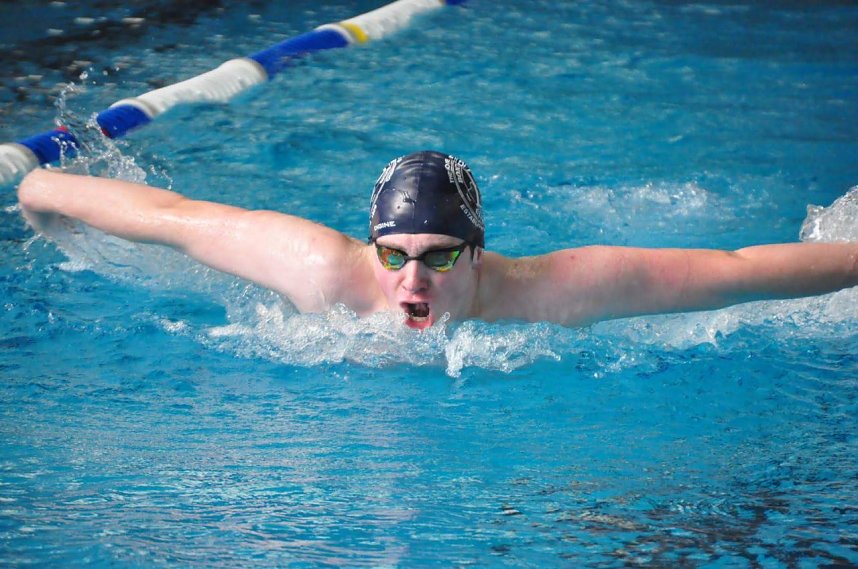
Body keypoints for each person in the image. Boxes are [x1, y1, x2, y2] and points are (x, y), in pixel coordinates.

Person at [16, 150, 858, 330]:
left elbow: (737, 272)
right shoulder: (319, 269)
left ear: (478, 253)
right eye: (395, 253)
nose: (411, 278)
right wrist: (38, 186)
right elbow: (171, 215)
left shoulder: (552, 291)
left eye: (438, 254)